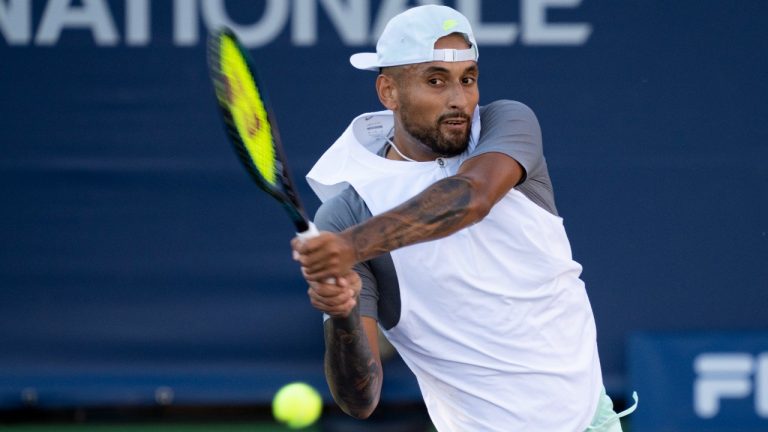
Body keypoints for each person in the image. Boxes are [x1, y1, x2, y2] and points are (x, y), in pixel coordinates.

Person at [291, 5, 636, 431]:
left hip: (587, 422)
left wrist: (349, 247)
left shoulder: (506, 123)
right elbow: (360, 400)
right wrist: (342, 313)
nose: (459, 99)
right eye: (436, 80)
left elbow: (471, 197)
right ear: (388, 92)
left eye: (468, 79)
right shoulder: (347, 213)